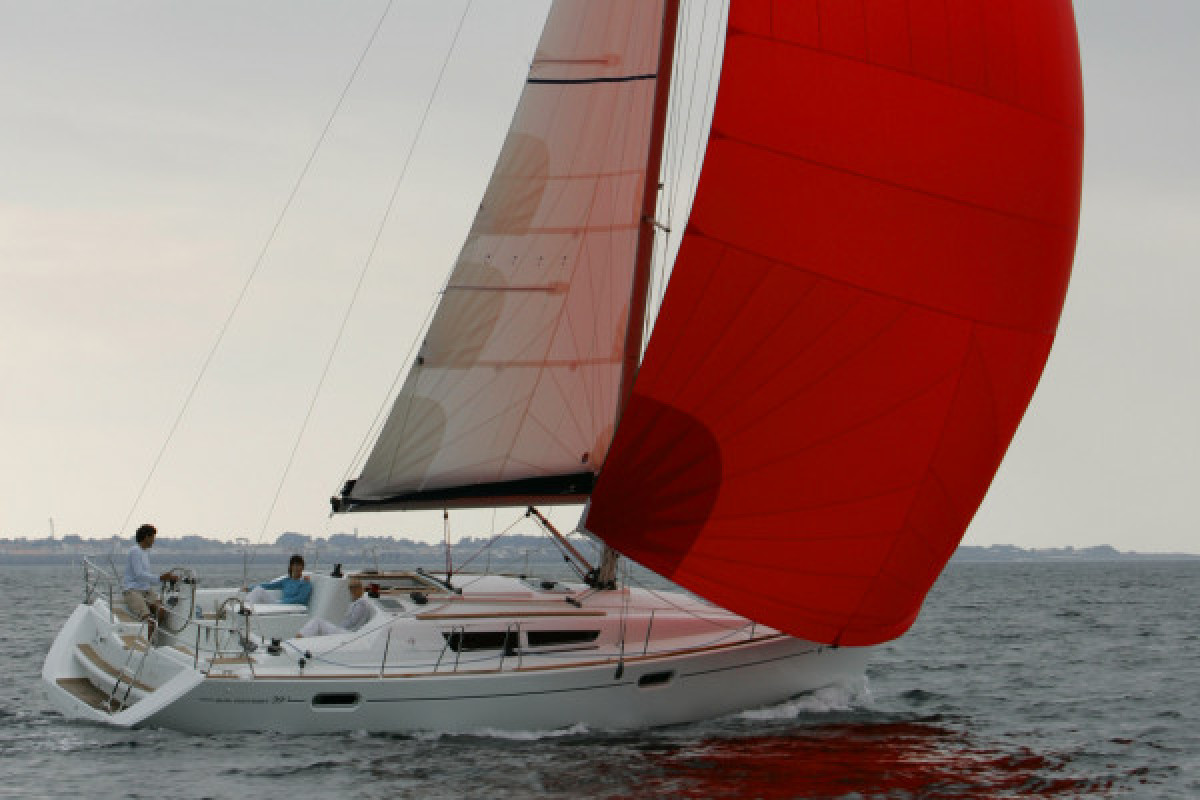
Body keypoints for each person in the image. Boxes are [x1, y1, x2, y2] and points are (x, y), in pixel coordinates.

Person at [121, 523, 177, 629]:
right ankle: (149, 642)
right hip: (133, 590)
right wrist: (160, 578)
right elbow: (139, 574)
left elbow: (146, 576)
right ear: (146, 537)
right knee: (148, 620)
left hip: (146, 589)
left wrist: (167, 578)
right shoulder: (135, 551)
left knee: (161, 611)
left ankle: (154, 637)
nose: (153, 541)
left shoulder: (145, 552)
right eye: (152, 537)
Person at [296, 577, 371, 637]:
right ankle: (302, 636)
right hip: (345, 630)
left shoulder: (361, 604)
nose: (352, 591)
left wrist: (337, 627)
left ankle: (300, 637)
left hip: (349, 634)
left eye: (354, 588)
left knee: (318, 622)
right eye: (351, 588)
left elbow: (352, 622)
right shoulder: (357, 601)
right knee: (318, 622)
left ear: (360, 588)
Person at [244, 554, 312, 606]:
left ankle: (246, 610)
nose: (296, 568)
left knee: (259, 591)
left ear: (302, 567)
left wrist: (284, 602)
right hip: (281, 604)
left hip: (293, 607)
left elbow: (301, 599)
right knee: (258, 590)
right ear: (291, 567)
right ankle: (245, 609)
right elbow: (269, 586)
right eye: (294, 565)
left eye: (299, 565)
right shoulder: (286, 581)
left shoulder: (305, 583)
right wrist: (250, 588)